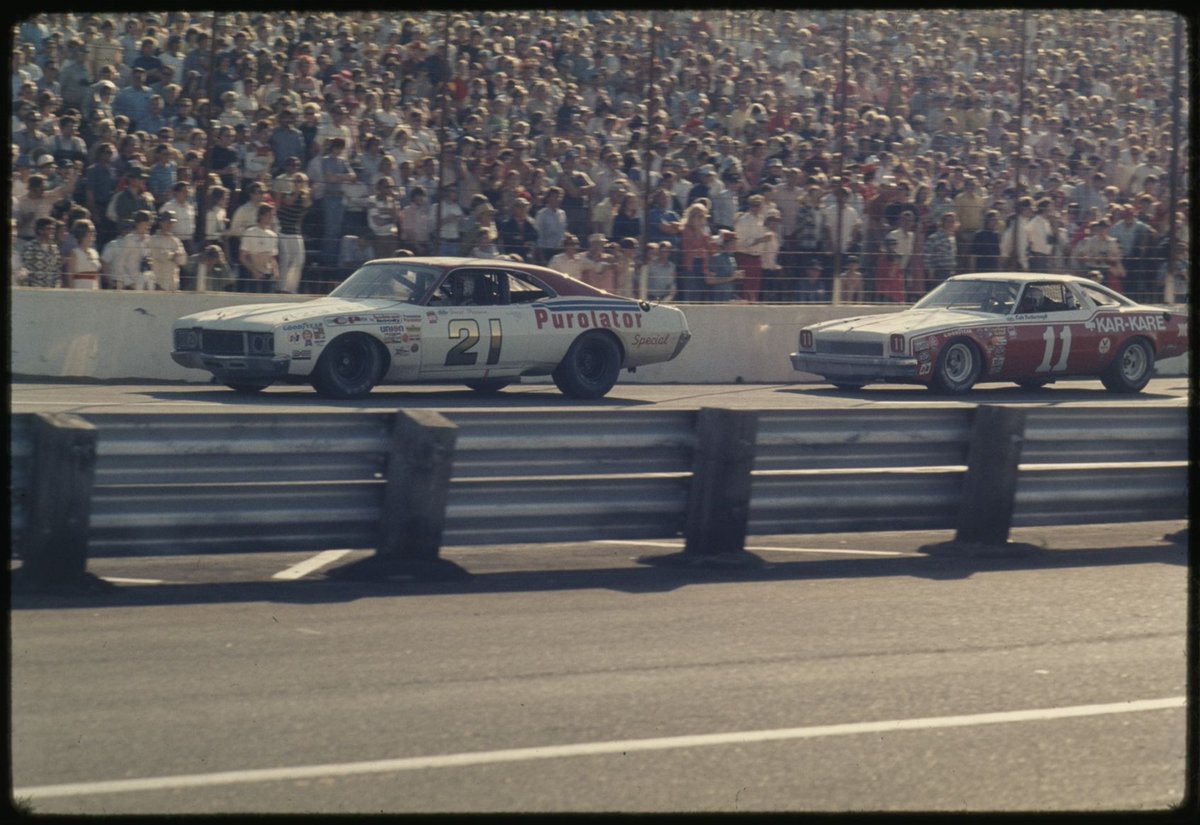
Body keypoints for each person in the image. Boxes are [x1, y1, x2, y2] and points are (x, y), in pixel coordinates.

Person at [239, 203, 280, 293]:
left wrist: (276, 271)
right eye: (269, 215)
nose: (271, 218)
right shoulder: (250, 232)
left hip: (268, 275)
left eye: (272, 215)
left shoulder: (273, 235)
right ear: (261, 215)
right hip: (253, 275)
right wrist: (253, 271)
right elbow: (243, 256)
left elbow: (272, 257)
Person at [146, 210, 187, 290]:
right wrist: (173, 255)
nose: (170, 225)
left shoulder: (175, 241)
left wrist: (175, 256)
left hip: (173, 284)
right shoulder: (153, 239)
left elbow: (183, 260)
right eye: (167, 222)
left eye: (171, 223)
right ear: (161, 223)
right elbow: (158, 255)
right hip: (158, 283)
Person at [21, 216, 62, 287]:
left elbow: (56, 269)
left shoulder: (54, 248)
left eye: (53, 229)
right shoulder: (30, 246)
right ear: (40, 230)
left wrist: (57, 286)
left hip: (51, 290)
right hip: (34, 289)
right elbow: (26, 268)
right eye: (49, 229)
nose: (52, 232)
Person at [705, 230, 742, 302]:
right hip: (717, 297)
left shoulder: (732, 258)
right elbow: (709, 280)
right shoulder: (716, 258)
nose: (735, 245)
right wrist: (731, 277)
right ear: (725, 244)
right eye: (732, 243)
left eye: (735, 243)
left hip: (728, 296)